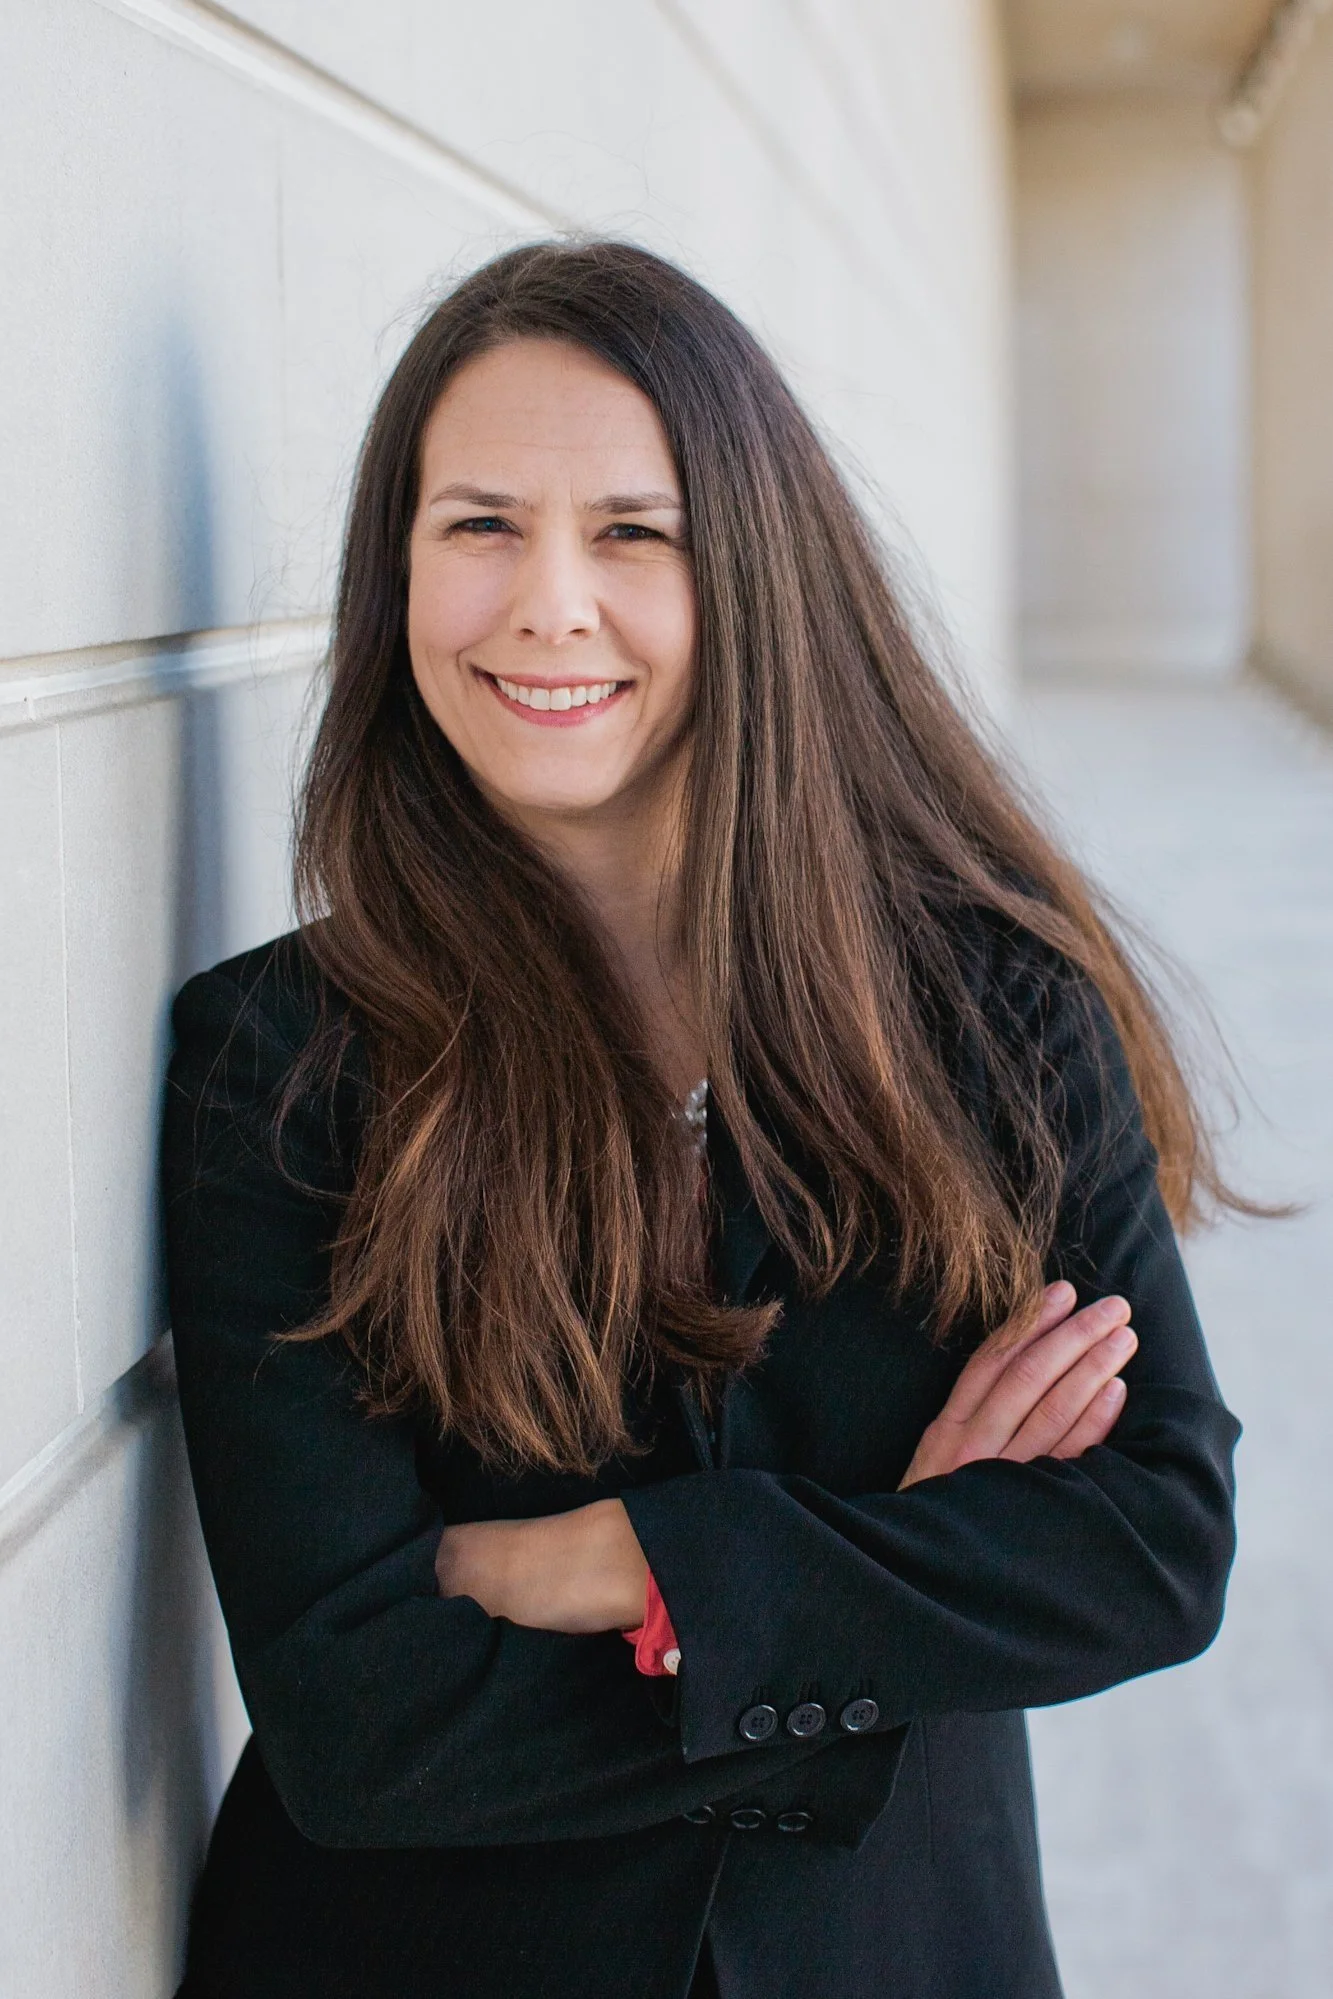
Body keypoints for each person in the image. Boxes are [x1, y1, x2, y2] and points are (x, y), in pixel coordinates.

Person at [161, 241, 1241, 1999]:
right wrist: (890, 1582)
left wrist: (638, 1564)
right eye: (480, 525)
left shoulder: (989, 1009)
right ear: (397, 573)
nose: (547, 605)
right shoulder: (275, 1060)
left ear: (748, 569)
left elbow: (1151, 1539)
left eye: (631, 533)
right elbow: (363, 1725)